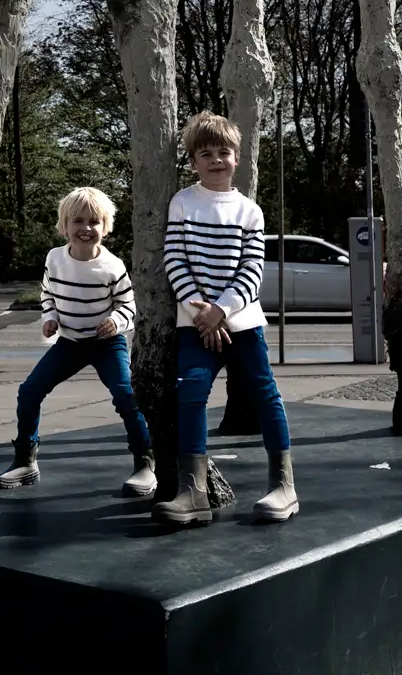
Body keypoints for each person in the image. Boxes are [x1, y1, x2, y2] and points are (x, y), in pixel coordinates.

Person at [153, 113, 298, 527]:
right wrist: (201, 311)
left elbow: (253, 268)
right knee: (191, 393)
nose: (216, 160)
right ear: (194, 161)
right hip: (195, 323)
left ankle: (283, 486)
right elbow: (174, 257)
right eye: (206, 154)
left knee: (265, 394)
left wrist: (222, 310)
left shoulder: (250, 211)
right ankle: (193, 492)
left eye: (223, 152)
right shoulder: (183, 201)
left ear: (237, 158)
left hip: (242, 321)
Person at [0, 186, 156, 497]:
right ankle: (25, 460)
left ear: (105, 227)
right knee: (29, 392)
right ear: (64, 225)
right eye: (77, 221)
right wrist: (49, 317)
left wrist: (115, 322)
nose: (85, 228)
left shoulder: (111, 266)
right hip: (69, 343)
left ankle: (145, 462)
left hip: (108, 344)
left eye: (94, 222)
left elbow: (129, 306)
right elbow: (47, 293)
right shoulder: (55, 258)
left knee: (126, 396)